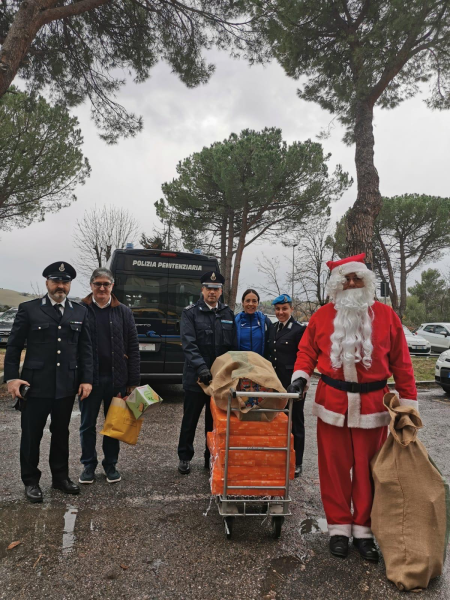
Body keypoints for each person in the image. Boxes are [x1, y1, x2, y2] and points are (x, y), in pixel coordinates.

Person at [287, 254, 417, 562]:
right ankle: (338, 531)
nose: (352, 284)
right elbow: (306, 351)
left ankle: (363, 532)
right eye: (346, 279)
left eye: (357, 278)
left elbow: (403, 364)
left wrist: (409, 405)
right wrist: (299, 378)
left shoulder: (386, 316)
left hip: (373, 408)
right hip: (332, 405)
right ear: (336, 284)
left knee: (369, 472)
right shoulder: (321, 316)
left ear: (367, 282)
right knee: (333, 471)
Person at [4, 262, 93, 503]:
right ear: (47, 283)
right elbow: (13, 347)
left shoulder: (79, 311)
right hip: (36, 385)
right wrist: (11, 378)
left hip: (66, 385)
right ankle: (31, 481)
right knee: (32, 435)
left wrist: (86, 379)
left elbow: (85, 350)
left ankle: (60, 478)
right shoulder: (29, 309)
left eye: (65, 282)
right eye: (56, 281)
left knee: (61, 433)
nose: (60, 286)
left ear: (70, 285)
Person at [79, 267, 140, 484]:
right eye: (98, 284)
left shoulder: (124, 311)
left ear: (112, 286)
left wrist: (133, 381)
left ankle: (110, 465)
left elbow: (132, 346)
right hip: (89, 381)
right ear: (91, 286)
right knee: (87, 425)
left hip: (117, 380)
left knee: (114, 425)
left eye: (106, 284)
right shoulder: (80, 309)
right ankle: (88, 465)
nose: (102, 288)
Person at [178, 271, 237, 475]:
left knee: (214, 422)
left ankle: (210, 456)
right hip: (196, 377)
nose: (212, 292)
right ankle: (184, 457)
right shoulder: (190, 312)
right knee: (190, 420)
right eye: (208, 288)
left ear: (221, 291)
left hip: (219, 380)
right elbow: (189, 343)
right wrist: (201, 367)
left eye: (216, 289)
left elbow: (232, 347)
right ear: (202, 290)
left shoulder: (228, 314)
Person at [268, 294, 306, 478]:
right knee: (277, 421)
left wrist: (301, 383)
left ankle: (297, 461)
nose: (280, 312)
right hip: (275, 383)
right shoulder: (273, 328)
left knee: (295, 422)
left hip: (292, 384)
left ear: (291, 309)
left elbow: (304, 358)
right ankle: (280, 456)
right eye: (277, 309)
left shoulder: (298, 330)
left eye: (284, 309)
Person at [235, 289, 273, 357]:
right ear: (243, 303)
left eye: (254, 301)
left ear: (258, 303)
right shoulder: (235, 321)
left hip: (260, 364)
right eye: (248, 301)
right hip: (241, 365)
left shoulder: (265, 322)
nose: (251, 304)